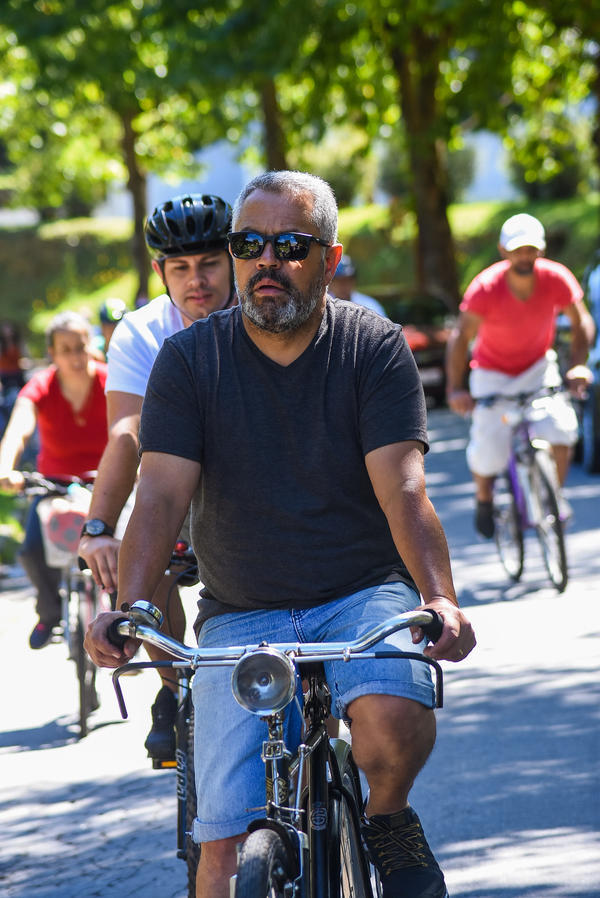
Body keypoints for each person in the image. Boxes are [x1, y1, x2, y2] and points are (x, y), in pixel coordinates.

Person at [85, 171, 475, 898]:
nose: (266, 261)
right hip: (241, 609)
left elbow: (405, 487)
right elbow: (162, 491)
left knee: (389, 722)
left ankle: (387, 818)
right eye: (248, 244)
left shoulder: (373, 347)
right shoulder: (188, 361)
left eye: (290, 245)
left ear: (329, 258)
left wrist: (439, 597)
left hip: (362, 593)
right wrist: (130, 604)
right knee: (222, 852)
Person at [78, 192, 236, 761]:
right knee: (148, 564)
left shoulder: (266, 309)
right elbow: (127, 433)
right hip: (176, 480)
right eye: (181, 268)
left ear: (234, 256)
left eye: (210, 263)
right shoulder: (143, 332)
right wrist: (99, 526)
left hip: (255, 481)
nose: (198, 281)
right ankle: (178, 690)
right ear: (159, 271)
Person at [445, 213, 595, 538]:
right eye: (517, 250)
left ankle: (552, 496)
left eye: (531, 249)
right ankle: (484, 498)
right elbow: (460, 337)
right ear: (503, 250)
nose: (524, 256)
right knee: (489, 449)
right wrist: (457, 388)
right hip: (491, 373)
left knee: (562, 429)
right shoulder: (485, 287)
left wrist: (579, 365)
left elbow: (581, 321)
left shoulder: (556, 278)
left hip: (538, 367)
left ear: (541, 250)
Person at [0, 312, 108, 648]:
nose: (75, 356)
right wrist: (6, 466)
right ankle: (49, 613)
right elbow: (19, 428)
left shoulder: (110, 381)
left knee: (121, 548)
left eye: (80, 346)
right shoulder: (42, 386)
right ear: (52, 353)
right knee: (32, 550)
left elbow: (134, 423)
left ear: (91, 346)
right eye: (65, 349)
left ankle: (123, 619)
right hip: (52, 484)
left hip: (106, 483)